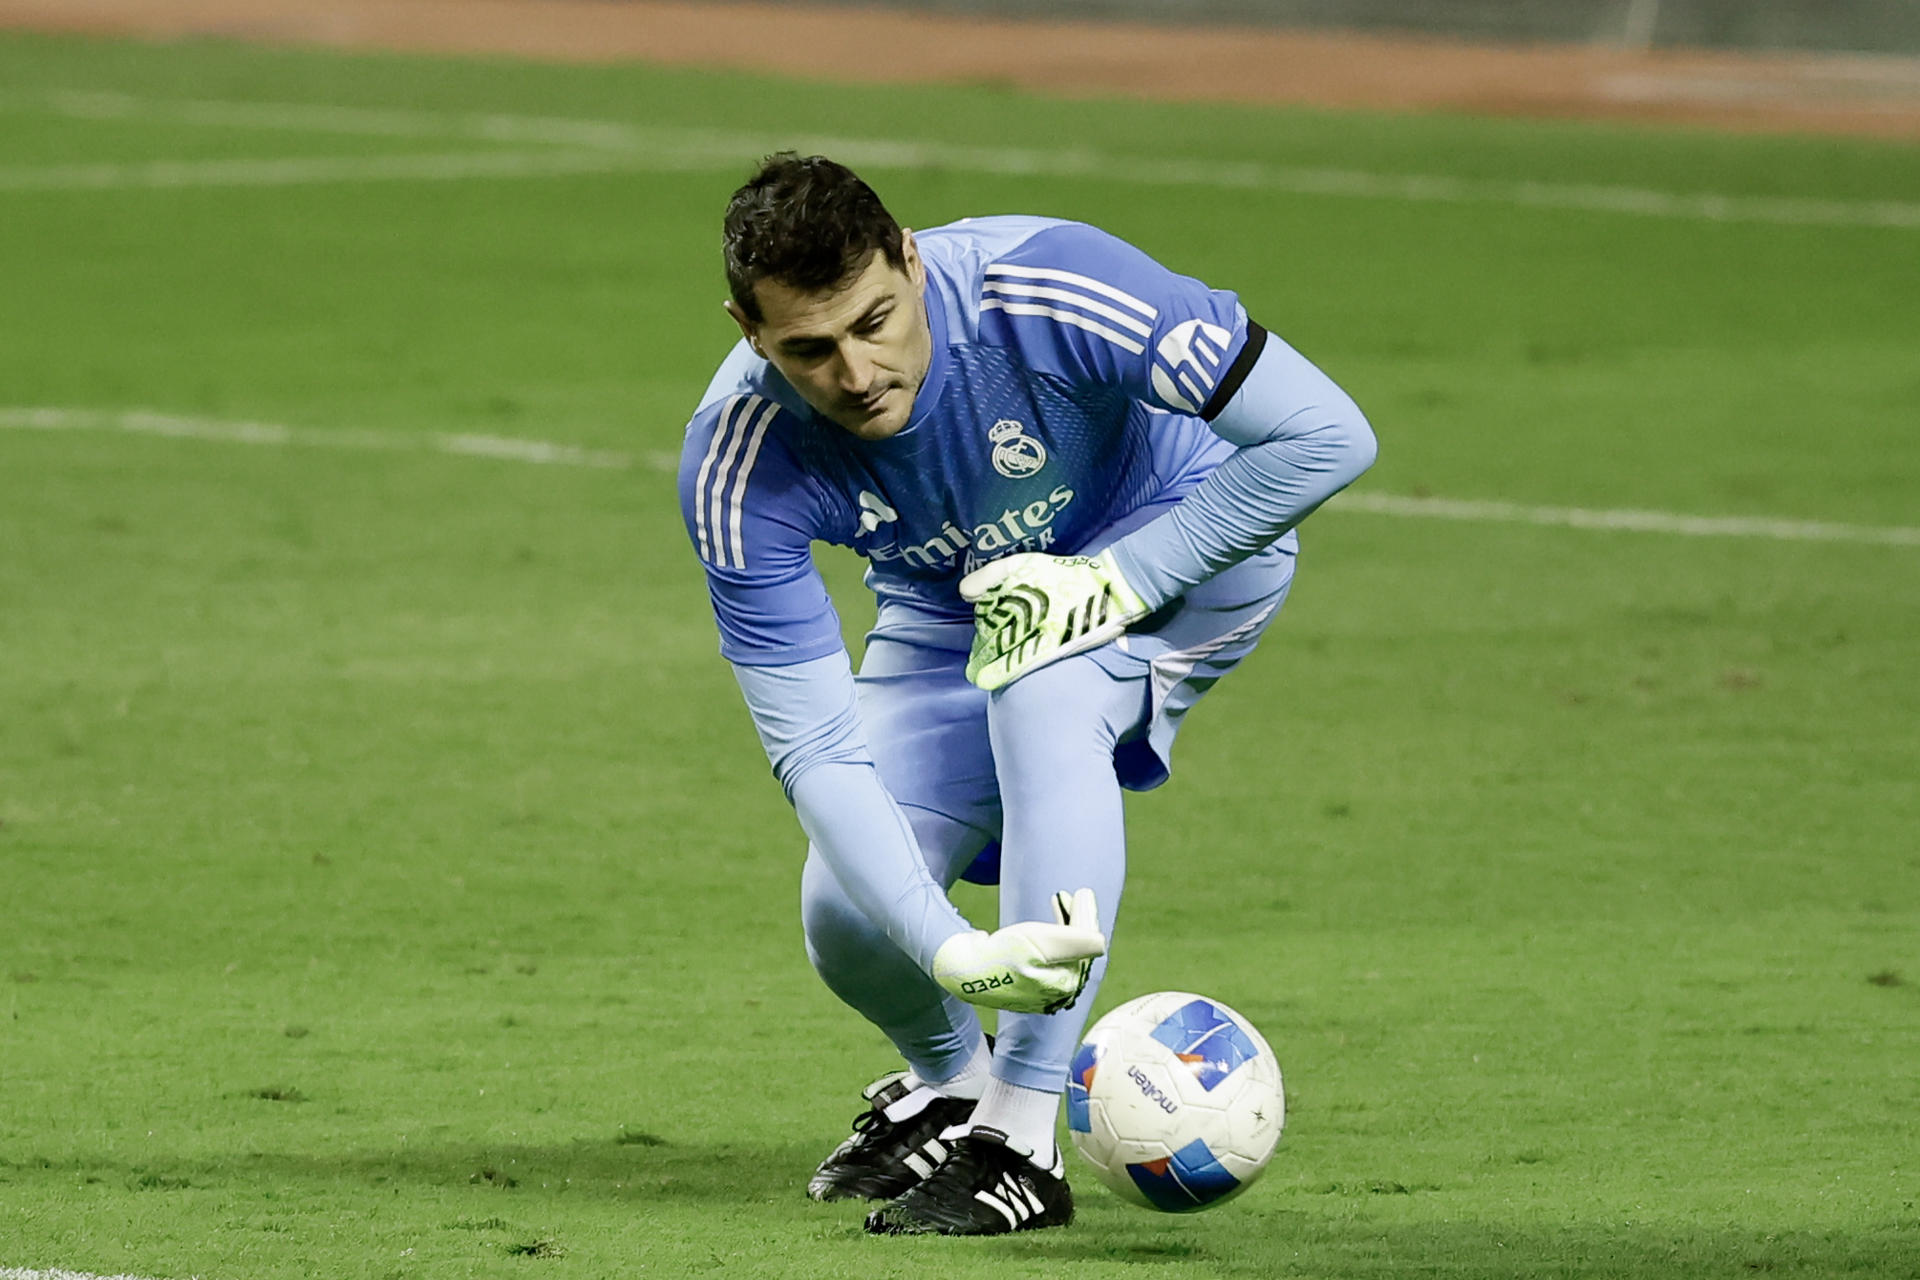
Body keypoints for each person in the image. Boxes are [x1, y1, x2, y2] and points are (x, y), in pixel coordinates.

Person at [677, 153, 1375, 1236]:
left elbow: (1329, 433)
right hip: (954, 607)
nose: (857, 373)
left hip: (1181, 545)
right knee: (847, 913)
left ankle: (1022, 1134)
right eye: (810, 350)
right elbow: (816, 751)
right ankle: (954, 1085)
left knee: (1041, 685)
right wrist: (952, 949)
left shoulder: (1047, 283)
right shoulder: (739, 458)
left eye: (876, 321)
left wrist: (1116, 582)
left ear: (911, 260)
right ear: (748, 331)